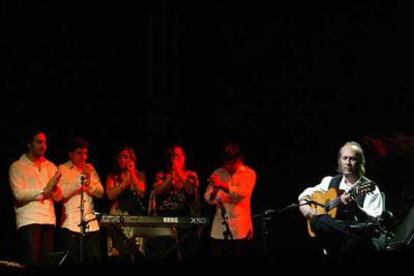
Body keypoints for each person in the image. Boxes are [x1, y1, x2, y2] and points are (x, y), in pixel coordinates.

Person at [298, 141, 384, 257]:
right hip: (334, 236)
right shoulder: (330, 181)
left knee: (359, 233)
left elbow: (373, 223)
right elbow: (306, 194)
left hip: (356, 242)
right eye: (345, 158)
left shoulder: (370, 188)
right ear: (340, 161)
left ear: (360, 162)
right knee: (318, 219)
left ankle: (349, 230)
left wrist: (355, 208)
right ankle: (348, 230)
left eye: (352, 159)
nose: (348, 162)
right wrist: (305, 206)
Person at [8, 130, 62, 266]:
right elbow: (18, 194)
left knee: (48, 262)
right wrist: (44, 191)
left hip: (48, 220)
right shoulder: (17, 166)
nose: (43, 145)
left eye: (45, 142)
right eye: (39, 142)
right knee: (31, 262)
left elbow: (58, 196)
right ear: (29, 144)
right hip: (29, 220)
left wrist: (56, 190)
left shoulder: (50, 166)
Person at [204, 143, 256, 260]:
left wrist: (221, 185)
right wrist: (215, 189)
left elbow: (241, 193)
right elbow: (208, 198)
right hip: (218, 229)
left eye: (233, 163)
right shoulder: (217, 173)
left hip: (239, 228)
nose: (230, 166)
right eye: (227, 163)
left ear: (239, 159)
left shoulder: (249, 173)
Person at [149, 144, 201, 261]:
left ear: (184, 157)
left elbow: (190, 191)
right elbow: (156, 192)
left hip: (184, 218)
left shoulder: (191, 175)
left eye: (180, 155)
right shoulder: (162, 175)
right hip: (164, 218)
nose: (177, 158)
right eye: (174, 156)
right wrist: (170, 177)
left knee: (186, 252)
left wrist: (179, 173)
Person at [57, 136, 104, 264]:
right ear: (70, 153)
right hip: (71, 224)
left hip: (90, 224)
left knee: (93, 258)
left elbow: (101, 192)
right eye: (79, 153)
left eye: (85, 153)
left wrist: (89, 183)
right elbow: (62, 193)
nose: (83, 157)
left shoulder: (90, 168)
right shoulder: (62, 169)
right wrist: (80, 180)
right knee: (72, 261)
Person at [106, 145, 147, 263]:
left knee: (138, 255)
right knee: (120, 258)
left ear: (132, 159)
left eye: (126, 157)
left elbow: (142, 193)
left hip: (137, 220)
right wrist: (123, 184)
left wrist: (132, 174)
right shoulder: (112, 176)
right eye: (120, 157)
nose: (122, 160)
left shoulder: (140, 175)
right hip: (119, 221)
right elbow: (110, 195)